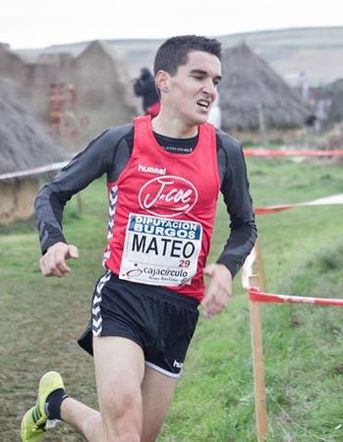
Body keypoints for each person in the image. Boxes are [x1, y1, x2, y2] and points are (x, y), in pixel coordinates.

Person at [21, 35, 257, 442]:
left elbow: (245, 226)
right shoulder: (122, 141)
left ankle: (56, 404)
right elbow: (52, 193)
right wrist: (53, 240)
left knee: (128, 436)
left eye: (216, 80)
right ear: (163, 81)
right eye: (198, 76)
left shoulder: (224, 151)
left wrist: (226, 269)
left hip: (179, 308)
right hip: (123, 297)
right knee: (125, 431)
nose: (210, 90)